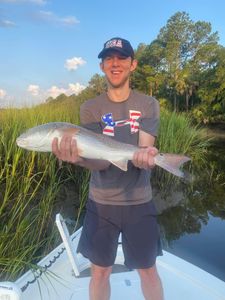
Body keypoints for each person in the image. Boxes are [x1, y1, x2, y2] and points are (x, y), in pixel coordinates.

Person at [52, 37, 164, 300]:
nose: (115, 64)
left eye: (121, 58)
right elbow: (100, 161)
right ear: (102, 66)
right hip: (101, 204)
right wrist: (77, 158)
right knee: (99, 271)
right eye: (109, 58)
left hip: (139, 202)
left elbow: (144, 149)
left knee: (148, 270)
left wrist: (148, 156)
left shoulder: (149, 104)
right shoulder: (90, 108)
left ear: (133, 64)